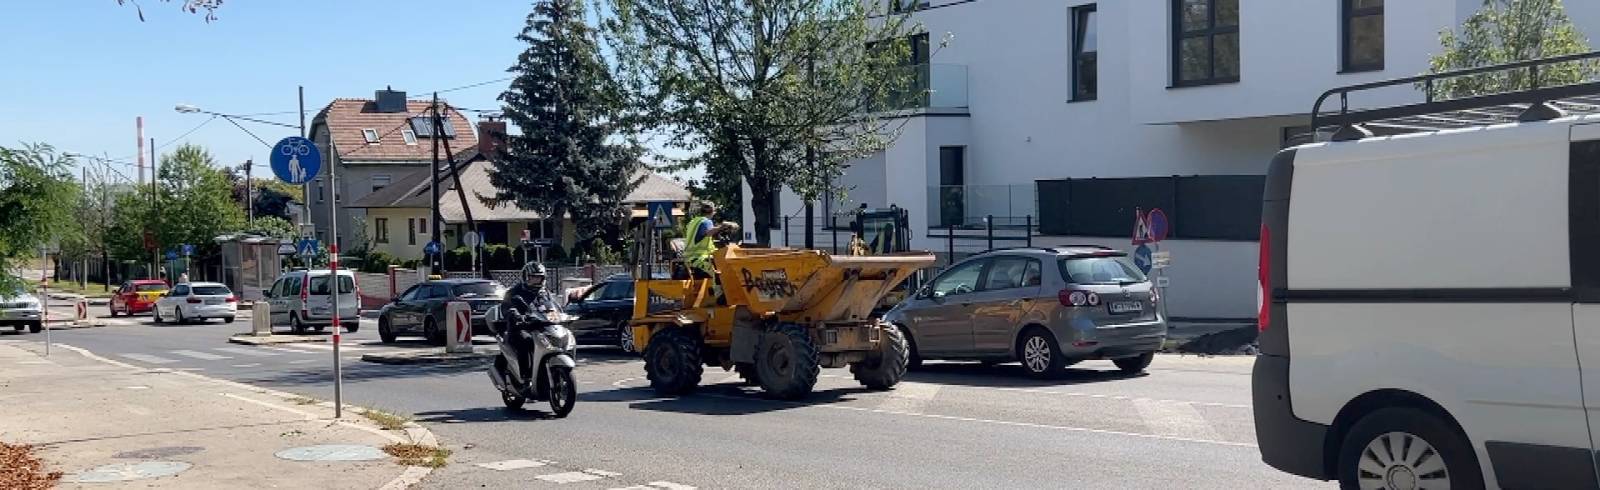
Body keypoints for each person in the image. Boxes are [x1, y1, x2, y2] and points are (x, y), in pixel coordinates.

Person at [499, 262, 558, 340]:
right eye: (533, 277)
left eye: (539, 277)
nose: (536, 280)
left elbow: (553, 304)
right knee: (525, 339)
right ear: (525, 277)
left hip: (543, 326)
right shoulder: (514, 291)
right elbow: (506, 308)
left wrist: (560, 313)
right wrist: (516, 315)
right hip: (523, 327)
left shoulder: (544, 292)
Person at [682, 202, 739, 280]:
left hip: (690, 259)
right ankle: (718, 292)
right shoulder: (706, 221)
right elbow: (708, 232)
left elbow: (701, 236)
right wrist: (722, 227)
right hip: (699, 259)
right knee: (720, 273)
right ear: (713, 212)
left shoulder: (693, 222)